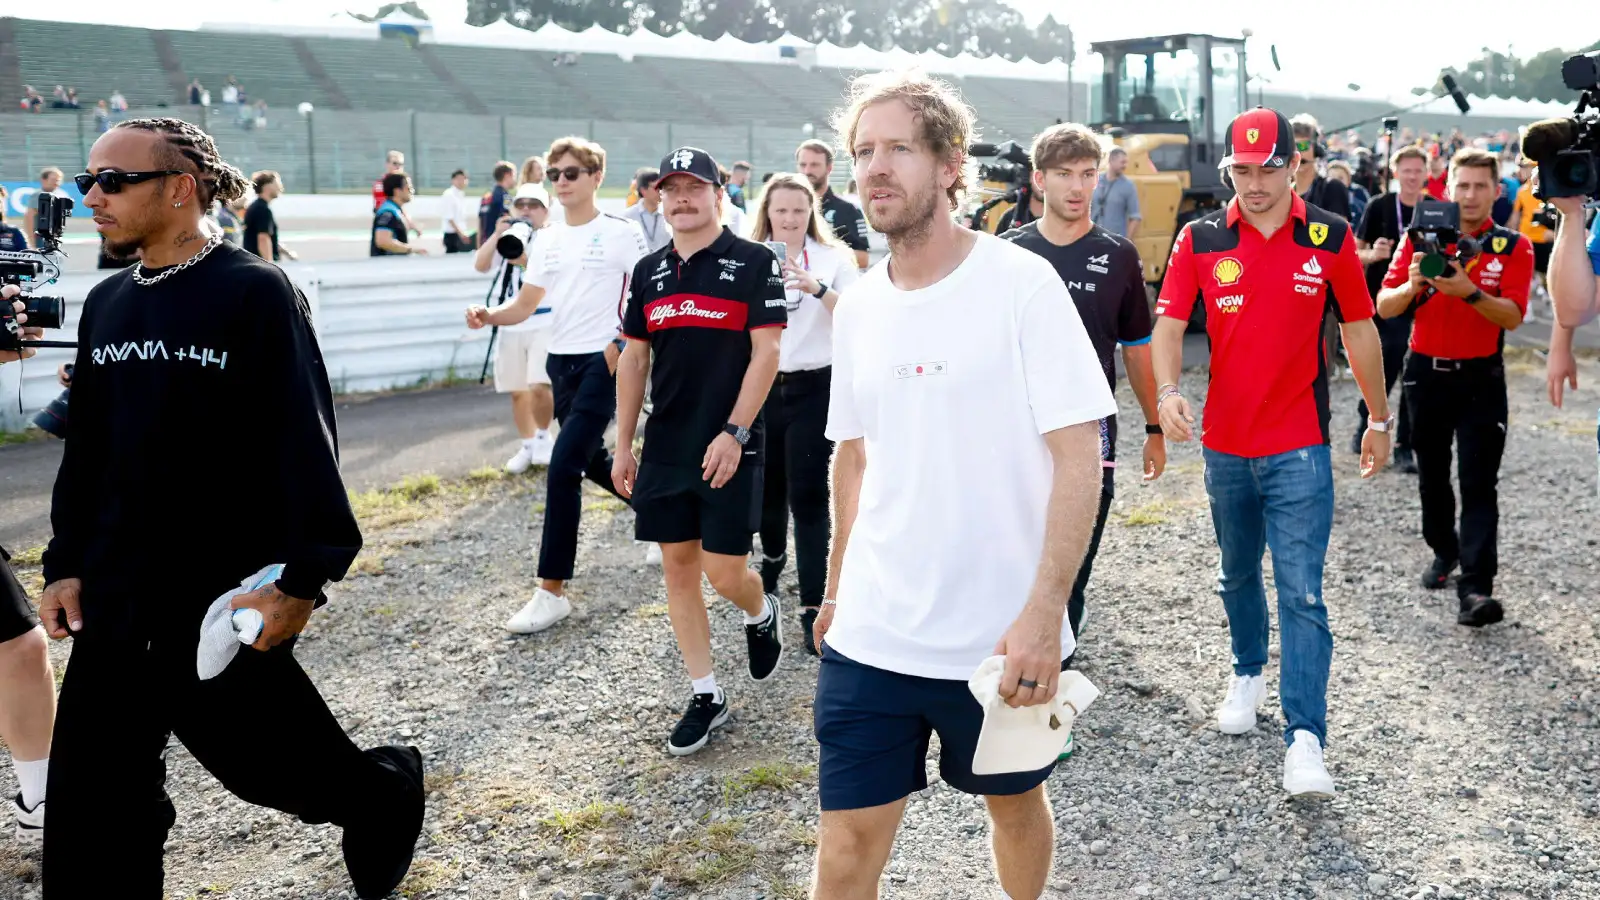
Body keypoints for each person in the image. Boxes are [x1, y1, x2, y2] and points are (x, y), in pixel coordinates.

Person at [37, 116, 423, 900]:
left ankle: (381, 793)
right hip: (113, 589)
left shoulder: (254, 290)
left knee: (278, 770)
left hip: (218, 594)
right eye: (87, 182)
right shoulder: (106, 301)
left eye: (113, 181)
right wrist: (65, 563)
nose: (93, 199)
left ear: (180, 188)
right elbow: (88, 452)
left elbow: (303, 436)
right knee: (92, 800)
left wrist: (305, 580)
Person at [809, 70, 1114, 900]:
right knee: (845, 848)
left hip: (996, 639)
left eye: (898, 148)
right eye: (863, 151)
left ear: (949, 164)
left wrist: (1044, 616)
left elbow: (1079, 453)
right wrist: (835, 591)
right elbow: (856, 457)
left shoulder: (1020, 285)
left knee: (1013, 808)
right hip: (873, 633)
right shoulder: (862, 305)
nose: (875, 167)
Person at [1153, 107, 1394, 799]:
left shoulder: (1330, 236)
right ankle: (1247, 671)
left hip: (1301, 446)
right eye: (1242, 170)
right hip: (1225, 444)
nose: (1255, 184)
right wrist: (1168, 391)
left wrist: (1378, 417)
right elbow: (1169, 322)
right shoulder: (1200, 238)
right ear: (1228, 169)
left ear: (1295, 164)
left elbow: (1360, 330)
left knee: (1304, 592)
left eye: (1269, 169)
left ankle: (1306, 740)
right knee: (1235, 576)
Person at [612, 147, 787, 756]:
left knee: (723, 572)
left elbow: (766, 354)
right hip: (666, 445)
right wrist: (623, 442)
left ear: (719, 194)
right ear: (658, 199)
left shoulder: (754, 260)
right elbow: (634, 360)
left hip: (732, 440)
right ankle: (707, 694)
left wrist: (735, 432)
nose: (682, 199)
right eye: (671, 190)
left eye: (695, 188)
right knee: (678, 569)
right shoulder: (648, 270)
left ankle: (760, 609)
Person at [464, 136, 647, 634]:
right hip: (560, 361)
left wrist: (617, 347)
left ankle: (551, 591)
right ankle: (661, 513)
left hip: (606, 360)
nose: (561, 182)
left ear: (595, 177)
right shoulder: (546, 239)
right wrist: (490, 316)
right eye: (554, 175)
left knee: (563, 465)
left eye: (571, 173)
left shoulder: (623, 233)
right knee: (589, 461)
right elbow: (527, 304)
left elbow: (647, 298)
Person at [1001, 122, 1164, 651]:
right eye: (1064, 174)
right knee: (1015, 567)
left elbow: (1138, 349)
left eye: (1087, 174)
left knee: (1069, 571)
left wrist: (1156, 425)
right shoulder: (1006, 254)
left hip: (1094, 438)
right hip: (1016, 437)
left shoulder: (1119, 256)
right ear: (1038, 180)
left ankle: (1053, 688)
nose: (1077, 186)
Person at [1375, 148, 1532, 627]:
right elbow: (1385, 305)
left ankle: (1476, 589)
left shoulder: (1513, 247)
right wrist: (1416, 282)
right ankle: (1445, 550)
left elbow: (1514, 315)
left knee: (1480, 483)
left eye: (1480, 186)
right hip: (1426, 373)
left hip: (1482, 378)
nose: (1470, 195)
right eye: (1461, 185)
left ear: (1496, 190)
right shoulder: (1418, 240)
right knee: (1432, 477)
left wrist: (1470, 292)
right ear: (1447, 189)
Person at [745, 173, 859, 656]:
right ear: (767, 214)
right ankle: (771, 562)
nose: (789, 220)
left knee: (810, 497)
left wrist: (816, 288)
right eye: (780, 211)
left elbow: (857, 316)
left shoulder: (835, 258)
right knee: (768, 490)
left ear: (811, 211)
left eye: (798, 210)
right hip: (763, 387)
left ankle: (814, 604)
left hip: (817, 386)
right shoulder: (747, 257)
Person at [1352, 144, 1428, 472]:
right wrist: (1374, 255)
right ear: (1395, 173)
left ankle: (1405, 445)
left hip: (1425, 301)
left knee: (1415, 371)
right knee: (1388, 363)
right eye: (1406, 171)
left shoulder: (1437, 208)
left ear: (1427, 173)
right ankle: (1366, 421)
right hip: (1385, 300)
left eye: (1418, 171)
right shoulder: (1380, 205)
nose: (1412, 177)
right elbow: (1354, 253)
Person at [474, 182, 557, 472]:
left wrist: (523, 259)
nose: (526, 210)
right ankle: (528, 444)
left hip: (545, 319)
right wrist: (498, 235)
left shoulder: (554, 237)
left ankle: (545, 437)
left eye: (534, 205)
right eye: (520, 204)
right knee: (517, 390)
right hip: (510, 322)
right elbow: (481, 265)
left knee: (539, 384)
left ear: (547, 211)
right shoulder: (508, 235)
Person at [796, 138, 870, 268]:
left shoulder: (848, 210)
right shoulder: (786, 208)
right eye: (803, 165)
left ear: (829, 168)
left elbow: (863, 259)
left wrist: (820, 251)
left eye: (814, 165)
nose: (807, 171)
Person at [1510, 166, 1555, 319]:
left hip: (1546, 238)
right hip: (1527, 239)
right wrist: (1512, 233)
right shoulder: (1522, 191)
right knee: (1526, 276)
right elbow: (1516, 215)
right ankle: (1527, 308)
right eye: (1522, 167)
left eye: (1526, 167)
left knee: (1547, 276)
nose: (1523, 170)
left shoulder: (1550, 188)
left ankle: (1551, 302)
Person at [1291, 115, 1351, 220]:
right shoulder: (1283, 193)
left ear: (1316, 150)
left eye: (1303, 146)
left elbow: (1341, 233)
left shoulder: (1332, 188)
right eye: (1292, 147)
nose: (1298, 153)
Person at [1089, 146, 1142, 238]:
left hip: (1114, 240)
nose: (1125, 166)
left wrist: (1126, 242)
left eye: (1126, 163)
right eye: (1122, 162)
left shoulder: (1128, 186)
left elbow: (1135, 217)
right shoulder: (1095, 180)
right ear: (1111, 160)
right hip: (1093, 238)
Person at [244, 170, 295, 263]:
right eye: (277, 183)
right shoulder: (262, 209)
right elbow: (263, 239)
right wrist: (270, 266)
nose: (280, 187)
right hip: (259, 266)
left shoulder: (257, 206)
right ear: (267, 186)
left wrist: (287, 253)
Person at [372, 173, 426, 257]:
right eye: (408, 188)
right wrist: (412, 250)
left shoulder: (396, 209)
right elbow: (383, 241)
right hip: (385, 267)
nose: (412, 191)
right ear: (397, 191)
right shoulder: (388, 212)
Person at [620, 168, 671, 252]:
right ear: (643, 190)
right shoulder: (627, 217)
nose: (660, 191)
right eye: (656, 188)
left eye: (662, 187)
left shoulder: (670, 214)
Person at [22, 168, 66, 249]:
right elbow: (29, 217)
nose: (57, 183)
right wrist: (31, 240)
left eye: (58, 180)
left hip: (53, 236)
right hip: (40, 237)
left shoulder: (59, 194)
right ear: (43, 180)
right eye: (53, 180)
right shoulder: (38, 195)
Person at [441, 169, 477, 253]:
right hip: (452, 235)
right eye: (458, 179)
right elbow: (449, 218)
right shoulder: (449, 194)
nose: (461, 181)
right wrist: (461, 234)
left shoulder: (461, 194)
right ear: (453, 180)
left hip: (460, 234)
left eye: (463, 179)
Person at [480, 160, 516, 240]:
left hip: (485, 242)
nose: (514, 180)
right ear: (507, 175)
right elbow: (507, 219)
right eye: (513, 176)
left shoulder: (487, 195)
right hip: (499, 243)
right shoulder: (506, 196)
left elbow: (480, 222)